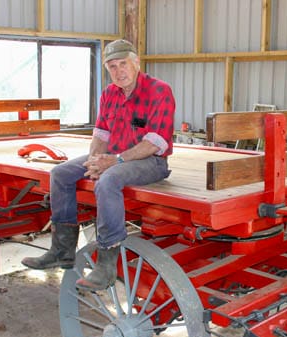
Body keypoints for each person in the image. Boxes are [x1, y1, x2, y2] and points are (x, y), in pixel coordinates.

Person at [21, 39, 175, 291]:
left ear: (136, 62)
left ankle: (106, 262)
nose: (119, 71)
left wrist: (114, 161)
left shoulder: (159, 91)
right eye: (112, 66)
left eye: (123, 64)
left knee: (108, 180)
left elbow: (155, 142)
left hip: (150, 161)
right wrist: (94, 161)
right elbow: (101, 135)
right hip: (114, 156)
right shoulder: (109, 93)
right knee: (60, 173)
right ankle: (62, 250)